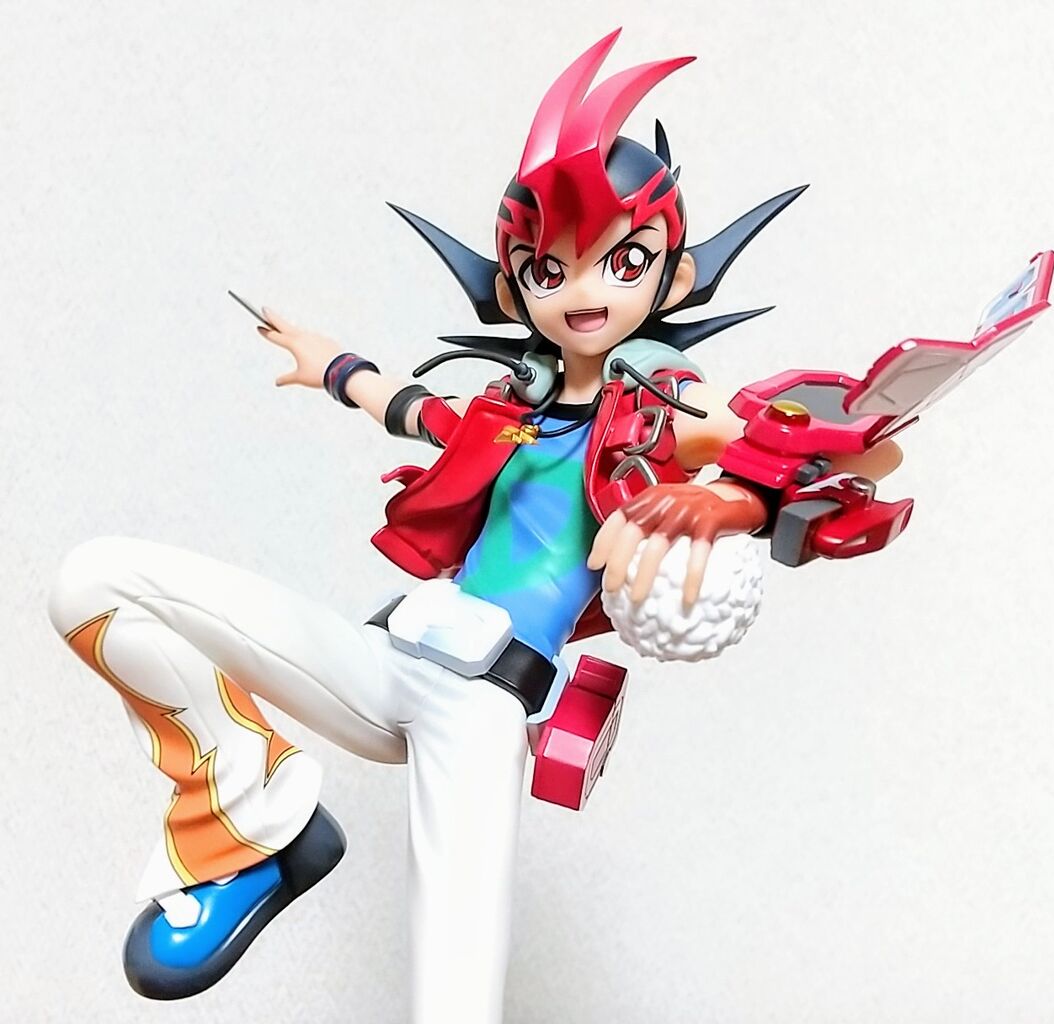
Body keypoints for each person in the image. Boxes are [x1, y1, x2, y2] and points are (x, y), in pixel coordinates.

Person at [46, 29, 900, 1024]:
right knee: (94, 584)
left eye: (621, 259)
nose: (582, 290)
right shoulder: (513, 405)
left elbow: (832, 459)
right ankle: (257, 825)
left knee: (453, 1003)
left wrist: (727, 501)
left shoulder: (664, 410)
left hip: (482, 709)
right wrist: (333, 365)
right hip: (389, 654)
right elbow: (414, 409)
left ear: (669, 277)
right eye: (548, 268)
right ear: (512, 285)